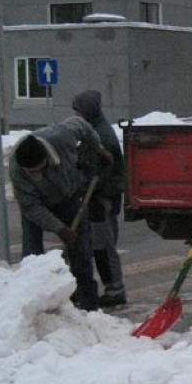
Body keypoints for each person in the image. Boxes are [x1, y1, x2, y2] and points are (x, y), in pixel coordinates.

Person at [9, 116, 113, 311]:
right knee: (33, 255)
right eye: (32, 174)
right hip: (37, 206)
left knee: (81, 252)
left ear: (47, 158)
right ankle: (35, 303)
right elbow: (31, 208)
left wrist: (98, 148)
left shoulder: (61, 136)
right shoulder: (17, 169)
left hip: (70, 198)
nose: (37, 176)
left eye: (39, 170)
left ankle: (89, 306)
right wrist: (60, 229)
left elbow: (82, 124)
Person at [72, 90, 127, 308]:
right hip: (98, 197)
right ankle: (110, 287)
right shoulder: (93, 130)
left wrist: (84, 189)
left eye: (78, 110)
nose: (76, 115)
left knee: (103, 246)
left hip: (101, 199)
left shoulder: (101, 135)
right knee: (98, 245)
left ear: (87, 111)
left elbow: (101, 171)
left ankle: (115, 290)